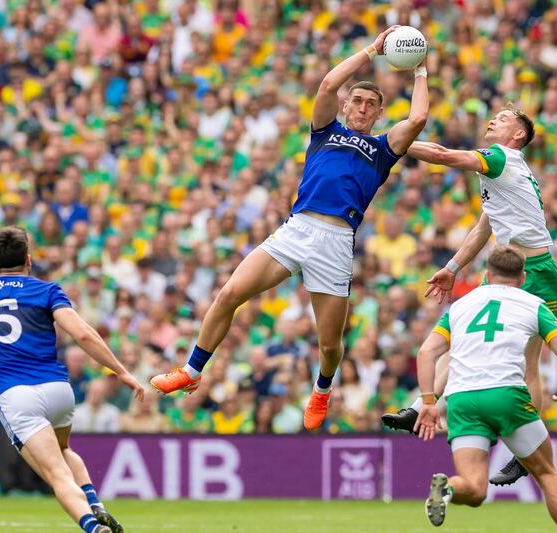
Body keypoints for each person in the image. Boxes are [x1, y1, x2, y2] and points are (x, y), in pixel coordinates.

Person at [150, 25, 429, 430]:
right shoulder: (325, 131)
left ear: (379, 113)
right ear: (346, 106)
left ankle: (322, 388)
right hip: (297, 228)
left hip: (337, 242)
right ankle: (191, 372)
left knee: (329, 345)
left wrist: (420, 68)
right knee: (229, 294)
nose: (363, 108)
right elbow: (328, 83)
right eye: (357, 100)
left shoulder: (383, 148)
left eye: (371, 104)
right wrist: (372, 49)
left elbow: (418, 117)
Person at [382, 104, 557, 485]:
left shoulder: (500, 158)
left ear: (518, 136)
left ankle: (524, 453)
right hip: (504, 269)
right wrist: (452, 267)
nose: (494, 119)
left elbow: (442, 155)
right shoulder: (499, 174)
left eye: (505, 118)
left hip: (536, 272)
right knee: (461, 339)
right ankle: (418, 407)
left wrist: (392, 141)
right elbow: (484, 228)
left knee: (529, 363)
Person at [0, 227, 144, 533]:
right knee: (64, 449)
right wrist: (121, 370)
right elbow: (83, 334)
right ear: (28, 260)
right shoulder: (47, 290)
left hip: (17, 397)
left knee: (57, 475)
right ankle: (94, 502)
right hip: (58, 390)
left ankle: (94, 528)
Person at [414, 246, 557, 531]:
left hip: (462, 399)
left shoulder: (460, 306)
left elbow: (426, 353)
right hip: (506, 395)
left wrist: (428, 402)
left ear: (488, 275)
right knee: (548, 475)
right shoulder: (533, 304)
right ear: (523, 278)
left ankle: (448, 489)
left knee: (474, 489)